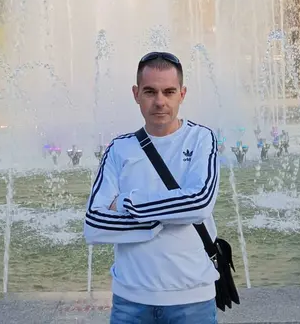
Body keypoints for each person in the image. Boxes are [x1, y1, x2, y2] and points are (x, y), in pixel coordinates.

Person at [84, 51, 219, 324]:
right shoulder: (119, 149)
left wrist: (126, 204)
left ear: (182, 94)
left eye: (169, 92)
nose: (159, 101)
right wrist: (159, 222)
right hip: (130, 302)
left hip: (192, 299)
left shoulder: (201, 138)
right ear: (136, 94)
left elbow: (199, 203)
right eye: (150, 92)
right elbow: (94, 224)